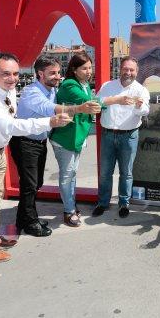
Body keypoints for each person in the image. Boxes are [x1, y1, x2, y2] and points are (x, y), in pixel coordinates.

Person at [0, 53, 71, 263]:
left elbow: (12, 117)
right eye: (6, 74)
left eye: (16, 73)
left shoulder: (6, 91)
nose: (12, 78)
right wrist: (50, 122)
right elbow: (10, 125)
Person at [9, 57, 100, 237]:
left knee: (36, 184)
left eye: (58, 72)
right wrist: (80, 108)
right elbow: (47, 108)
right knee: (30, 185)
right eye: (53, 73)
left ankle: (24, 218)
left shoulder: (52, 90)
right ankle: (30, 222)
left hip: (39, 142)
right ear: (40, 74)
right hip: (24, 142)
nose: (58, 76)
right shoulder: (32, 91)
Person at [93, 57, 150, 218]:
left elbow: (145, 111)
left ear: (136, 72)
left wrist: (139, 106)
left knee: (126, 173)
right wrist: (115, 100)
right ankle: (103, 203)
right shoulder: (107, 86)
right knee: (105, 172)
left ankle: (124, 203)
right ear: (120, 69)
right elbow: (96, 103)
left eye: (132, 70)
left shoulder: (141, 90)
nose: (128, 73)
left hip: (129, 136)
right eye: (125, 69)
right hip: (108, 135)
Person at [50, 53, 99, 227]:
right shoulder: (70, 84)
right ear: (74, 70)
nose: (88, 71)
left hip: (75, 138)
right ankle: (68, 211)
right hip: (65, 139)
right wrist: (117, 99)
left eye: (90, 67)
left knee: (72, 175)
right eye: (84, 68)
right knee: (66, 176)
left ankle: (71, 205)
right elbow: (90, 102)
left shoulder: (83, 84)